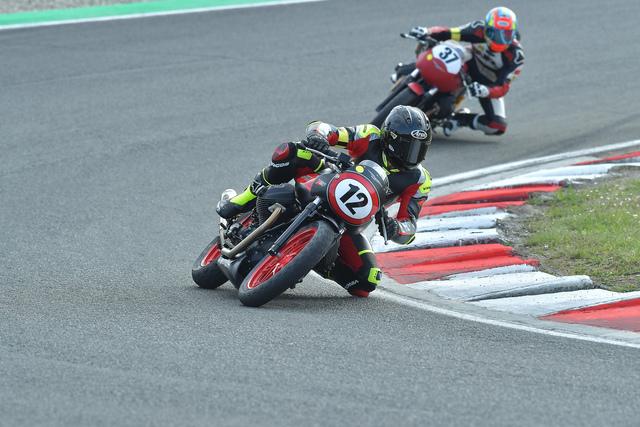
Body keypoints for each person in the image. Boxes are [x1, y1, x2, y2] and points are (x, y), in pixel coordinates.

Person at [217, 106, 433, 297]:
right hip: (327, 181)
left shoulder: (420, 180)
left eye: (420, 147)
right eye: (408, 146)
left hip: (351, 223)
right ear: (390, 138)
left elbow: (410, 227)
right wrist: (318, 137)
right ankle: (240, 200)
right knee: (291, 152)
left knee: (366, 282)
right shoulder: (370, 136)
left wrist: (395, 228)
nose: (414, 154)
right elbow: (326, 129)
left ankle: (313, 258)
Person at [396, 6, 524, 136]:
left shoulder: (516, 57)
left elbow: (503, 87)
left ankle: (459, 119)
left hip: (487, 82)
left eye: (506, 35)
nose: (499, 40)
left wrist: (486, 90)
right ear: (486, 29)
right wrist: (427, 31)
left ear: (513, 34)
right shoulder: (478, 29)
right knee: (443, 48)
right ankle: (411, 70)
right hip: (469, 61)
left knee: (497, 125)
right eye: (494, 34)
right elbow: (449, 32)